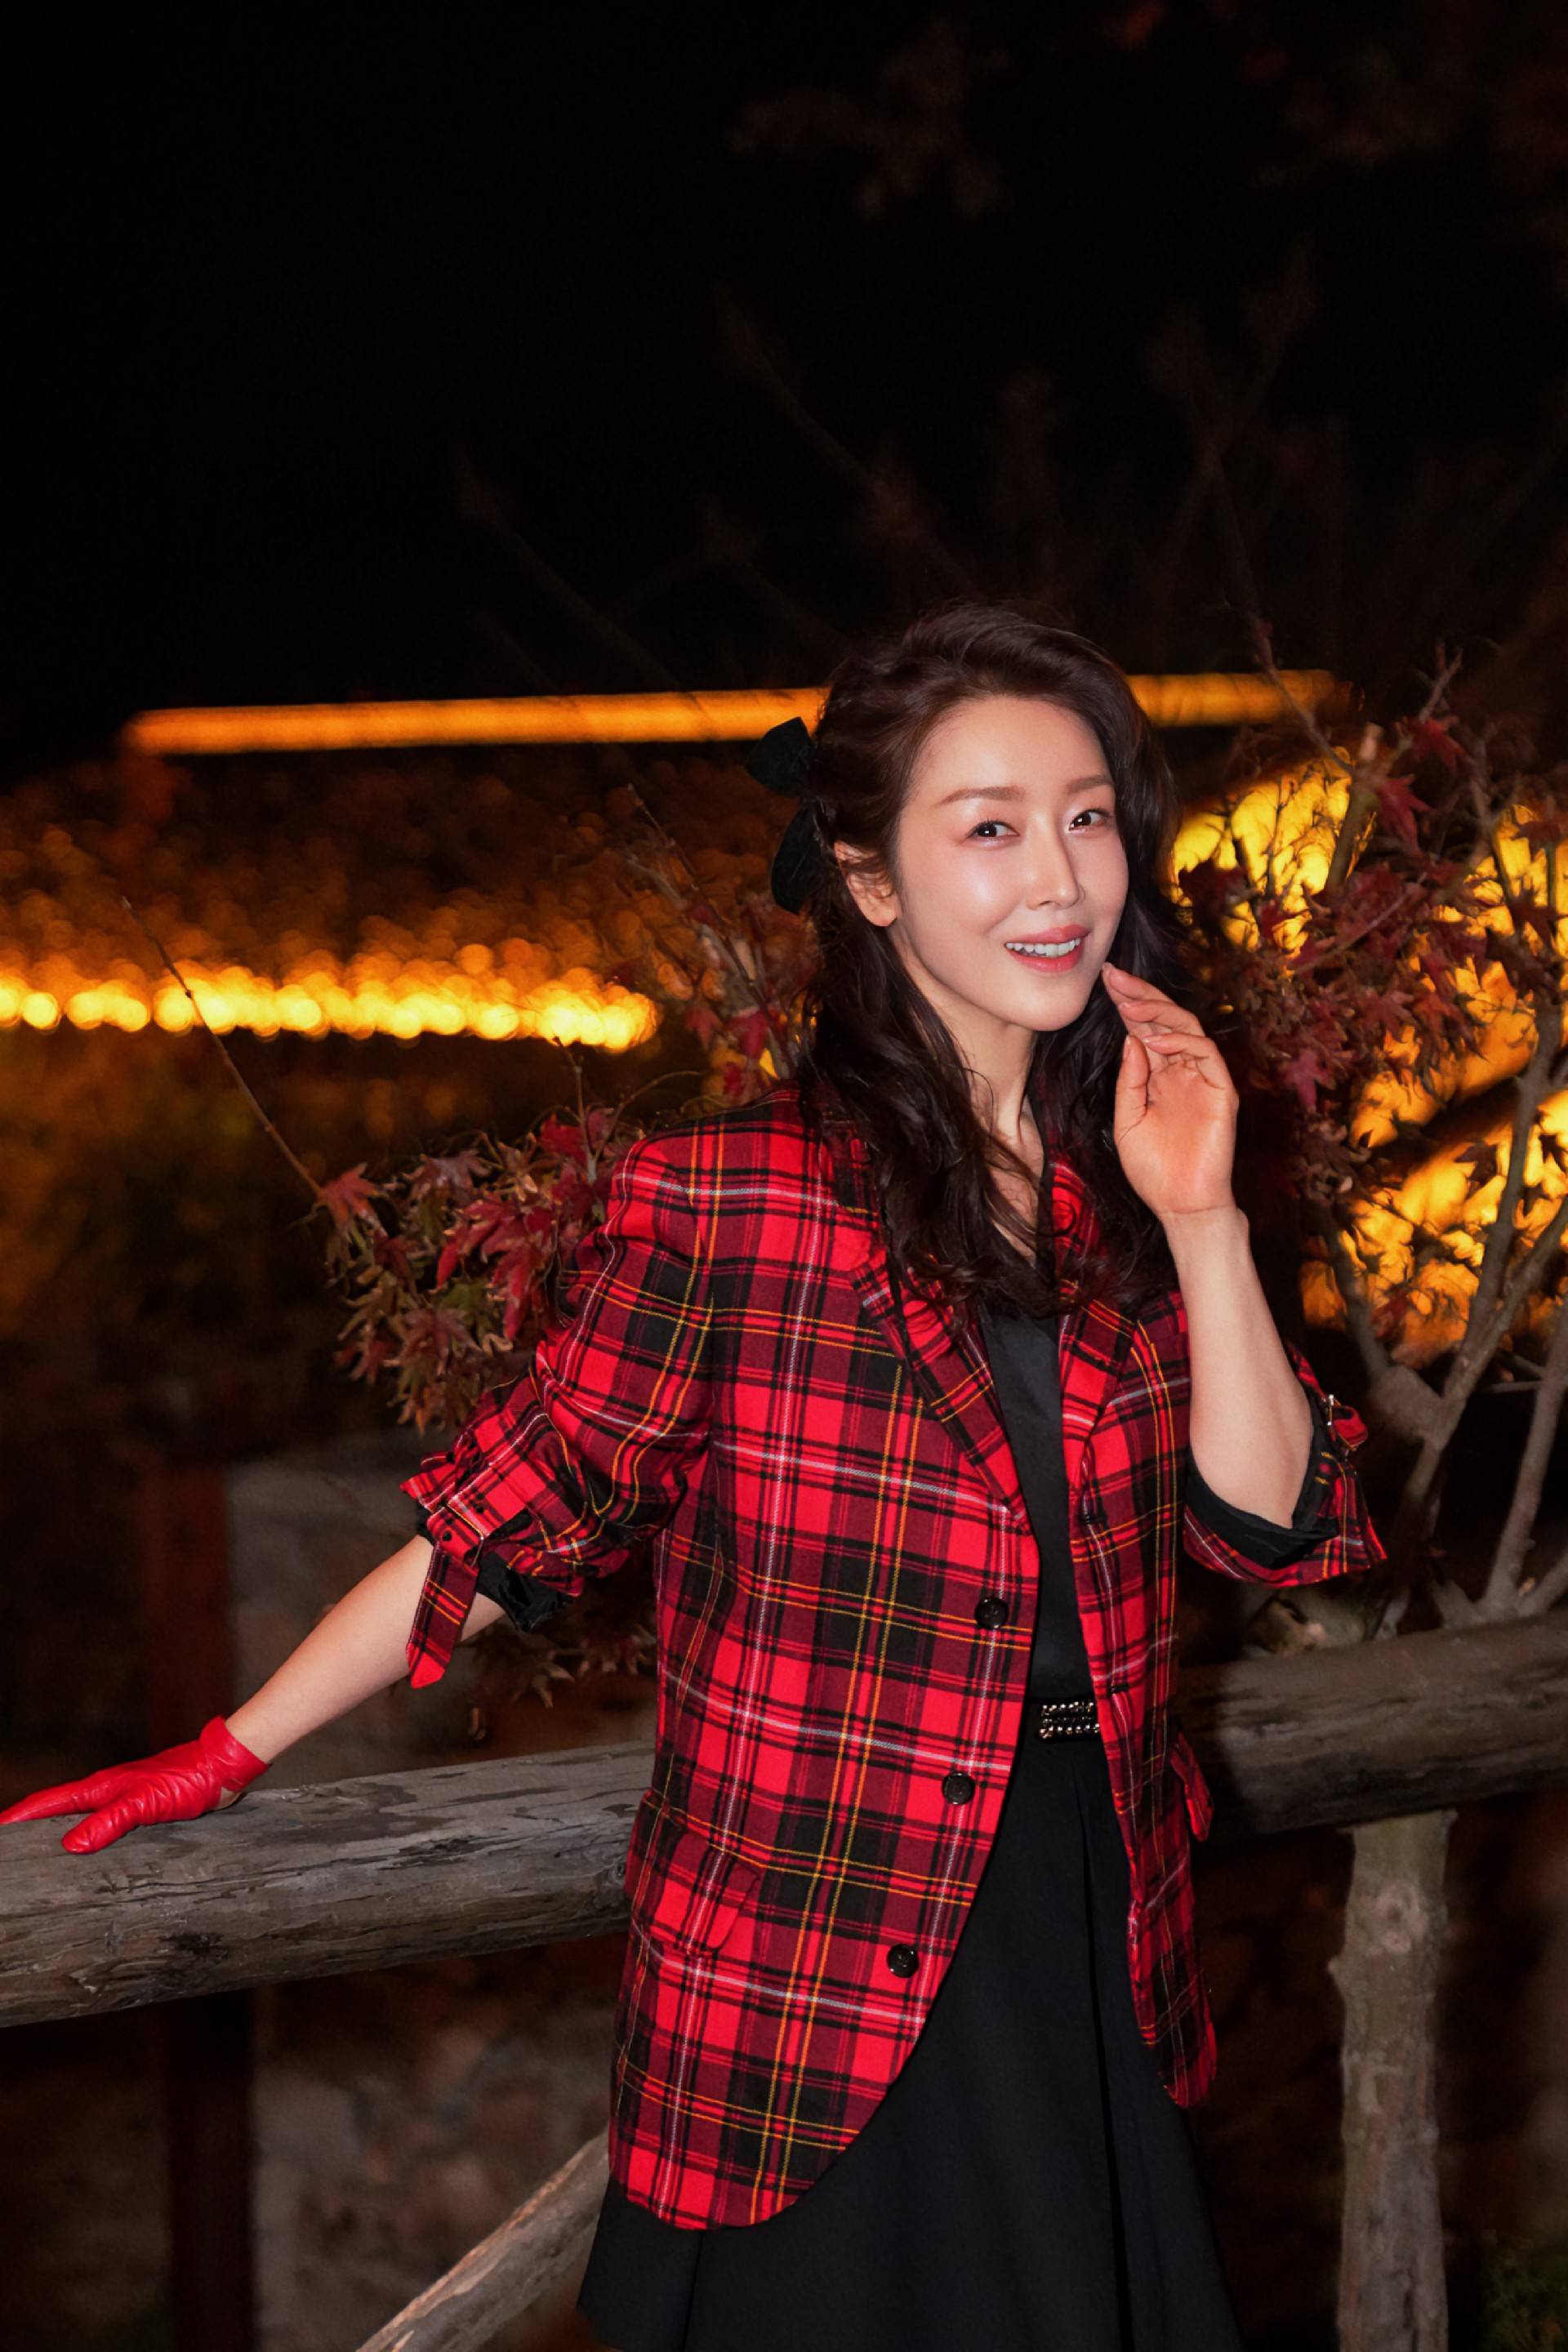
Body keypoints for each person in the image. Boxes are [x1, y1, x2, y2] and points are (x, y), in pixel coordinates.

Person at [2, 602, 1384, 2350]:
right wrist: (228, 1747)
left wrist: (1203, 1216)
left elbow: (1269, 1527)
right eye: (990, 827)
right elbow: (509, 1519)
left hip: (1089, 1918)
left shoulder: (1135, 1177)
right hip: (818, 1952)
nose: (1061, 877)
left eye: (1090, 816)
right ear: (867, 879)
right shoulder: (730, 1196)